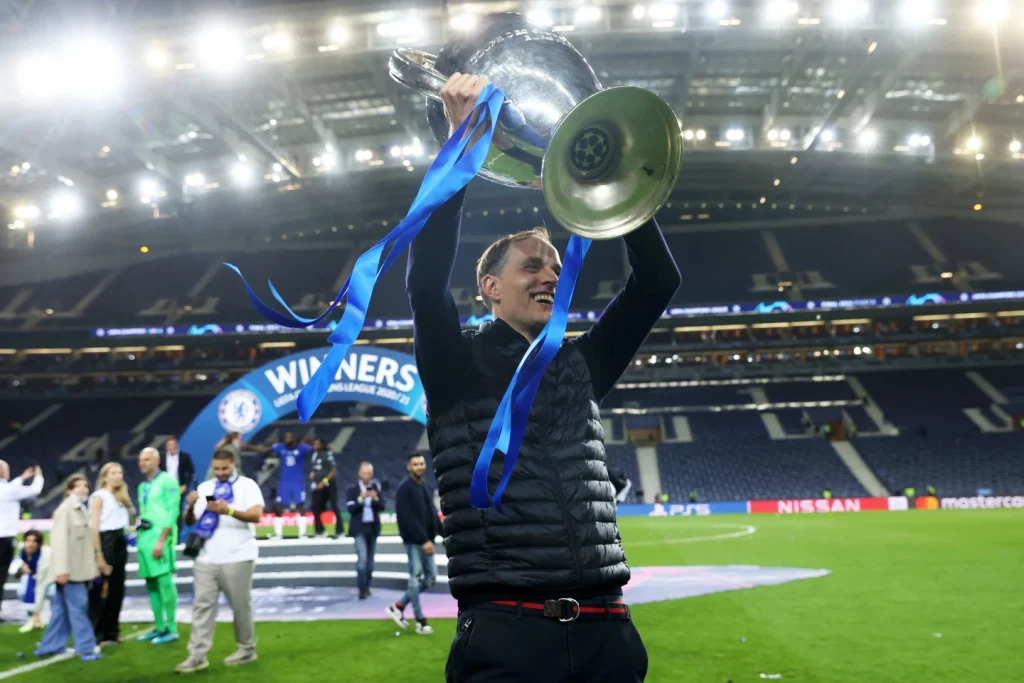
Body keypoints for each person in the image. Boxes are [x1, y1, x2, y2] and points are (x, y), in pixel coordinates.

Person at [405, 73, 681, 682]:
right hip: (510, 635)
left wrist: (603, 187)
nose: (550, 276)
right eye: (532, 266)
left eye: (556, 266)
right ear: (490, 289)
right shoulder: (455, 365)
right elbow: (424, 284)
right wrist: (462, 144)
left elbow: (659, 282)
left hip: (608, 632)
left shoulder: (580, 364)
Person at [175, 449, 265, 673]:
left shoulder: (247, 485)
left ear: (233, 464)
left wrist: (229, 510)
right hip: (207, 556)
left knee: (240, 606)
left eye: (224, 468)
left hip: (238, 555)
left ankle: (246, 649)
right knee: (201, 607)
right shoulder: (205, 488)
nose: (221, 473)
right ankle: (197, 656)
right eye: (216, 468)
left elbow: (256, 515)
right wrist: (189, 505)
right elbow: (191, 521)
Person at [34, 475, 102, 661]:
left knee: (61, 611)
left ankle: (50, 646)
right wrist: (61, 571)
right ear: (68, 490)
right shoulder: (65, 511)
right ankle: (86, 648)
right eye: (78, 486)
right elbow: (60, 543)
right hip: (70, 572)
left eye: (85, 487)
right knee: (79, 608)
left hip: (75, 571)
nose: (83, 490)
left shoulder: (80, 510)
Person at [386, 453, 441, 635]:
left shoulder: (425, 486)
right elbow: (408, 519)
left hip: (426, 540)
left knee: (431, 577)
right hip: (414, 542)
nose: (419, 466)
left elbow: (432, 513)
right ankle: (420, 621)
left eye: (421, 463)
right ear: (409, 467)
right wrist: (423, 540)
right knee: (415, 578)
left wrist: (442, 533)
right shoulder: (404, 489)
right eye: (415, 464)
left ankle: (399, 606)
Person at [135, 447, 182, 645]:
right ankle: (159, 627)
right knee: (152, 585)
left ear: (157, 461)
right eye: (140, 460)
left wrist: (162, 539)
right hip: (144, 539)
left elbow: (173, 512)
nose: (142, 463)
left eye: (147, 459)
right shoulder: (141, 486)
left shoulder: (169, 482)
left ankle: (172, 628)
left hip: (160, 538)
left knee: (165, 583)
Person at [88, 462, 135, 646]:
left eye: (120, 472)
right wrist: (99, 555)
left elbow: (131, 521)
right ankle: (98, 633)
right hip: (105, 541)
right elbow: (94, 527)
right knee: (102, 590)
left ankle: (112, 631)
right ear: (105, 476)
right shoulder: (98, 497)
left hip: (119, 541)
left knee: (117, 589)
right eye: (113, 472)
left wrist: (128, 502)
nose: (117, 476)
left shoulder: (121, 497)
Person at [0, 461, 43, 621]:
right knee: (1, 576)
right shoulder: (9, 490)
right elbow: (35, 489)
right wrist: (38, 475)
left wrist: (22, 477)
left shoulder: (8, 488)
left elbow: (11, 487)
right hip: (3, 539)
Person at [346, 461, 383, 599]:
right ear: (359, 473)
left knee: (370, 562)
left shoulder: (376, 488)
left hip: (372, 528)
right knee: (362, 559)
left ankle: (367, 586)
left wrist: (375, 498)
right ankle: (362, 588)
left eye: (369, 473)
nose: (367, 475)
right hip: (359, 528)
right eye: (365, 472)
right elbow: (350, 509)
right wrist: (361, 498)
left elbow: (382, 507)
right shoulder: (353, 490)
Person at [268, 432, 313, 539]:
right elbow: (265, 449)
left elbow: (313, 449)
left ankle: (302, 534)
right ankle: (278, 534)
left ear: (294, 438)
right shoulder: (280, 447)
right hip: (285, 483)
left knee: (300, 506)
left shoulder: (302, 448)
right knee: (279, 507)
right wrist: (247, 446)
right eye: (285, 437)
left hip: (298, 483)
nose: (286, 439)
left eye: (289, 437)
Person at [11, 530, 53, 633]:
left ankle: (51, 621)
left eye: (34, 541)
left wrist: (36, 611)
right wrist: (22, 568)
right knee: (22, 591)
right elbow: (18, 574)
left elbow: (41, 583)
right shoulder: (23, 552)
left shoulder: (45, 553)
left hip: (51, 578)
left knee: (53, 593)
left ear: (39, 543)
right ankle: (32, 619)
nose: (30, 544)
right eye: (28, 540)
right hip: (35, 578)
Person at [308, 437, 338, 538]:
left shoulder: (327, 454)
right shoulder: (314, 455)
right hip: (318, 485)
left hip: (329, 484)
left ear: (321, 445)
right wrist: (313, 474)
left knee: (334, 506)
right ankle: (320, 531)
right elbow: (317, 468)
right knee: (315, 507)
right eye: (314, 444)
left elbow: (333, 470)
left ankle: (340, 531)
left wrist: (324, 481)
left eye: (317, 444)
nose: (315, 446)